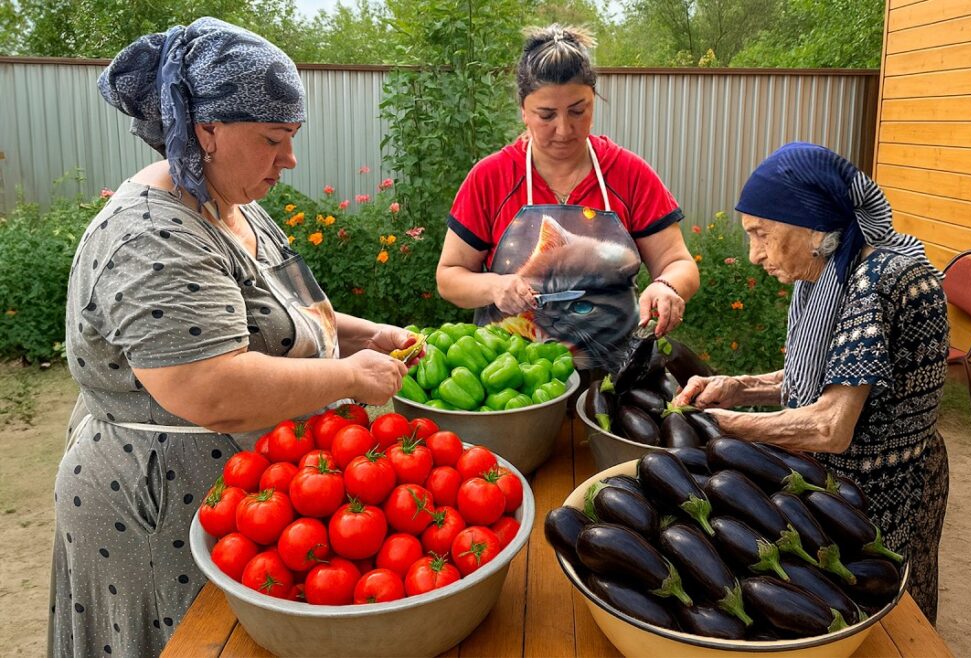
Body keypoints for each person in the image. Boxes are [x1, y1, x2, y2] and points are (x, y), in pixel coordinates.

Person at [51, 18, 414, 657]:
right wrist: (351, 378)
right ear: (205, 130)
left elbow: (282, 313)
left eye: (293, 137)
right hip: (156, 507)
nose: (291, 159)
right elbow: (208, 387)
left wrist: (366, 335)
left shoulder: (233, 201)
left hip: (245, 495)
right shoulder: (150, 238)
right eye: (274, 139)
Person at [675, 142, 951, 624]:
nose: (754, 255)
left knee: (879, 620)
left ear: (812, 222)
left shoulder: (880, 279)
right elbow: (822, 375)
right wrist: (737, 386)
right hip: (836, 488)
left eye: (761, 234)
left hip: (879, 493)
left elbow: (829, 425)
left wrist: (724, 428)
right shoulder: (829, 271)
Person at [436, 24, 699, 372]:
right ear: (524, 111)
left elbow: (679, 263)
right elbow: (449, 277)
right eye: (546, 115)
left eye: (578, 111)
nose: (564, 129)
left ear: (593, 100)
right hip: (513, 378)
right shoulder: (491, 177)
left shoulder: (628, 173)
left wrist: (667, 286)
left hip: (612, 376)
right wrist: (495, 286)